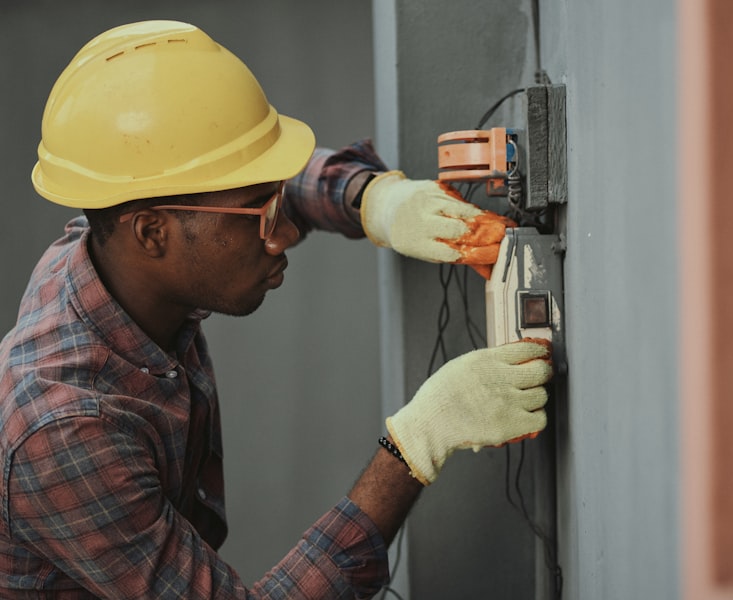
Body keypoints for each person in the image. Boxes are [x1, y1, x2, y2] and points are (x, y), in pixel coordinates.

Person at [0, 20, 553, 599]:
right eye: (261, 217)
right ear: (153, 233)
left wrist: (375, 201)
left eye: (279, 200)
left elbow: (234, 181)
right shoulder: (63, 429)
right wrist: (415, 445)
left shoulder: (110, 244)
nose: (285, 233)